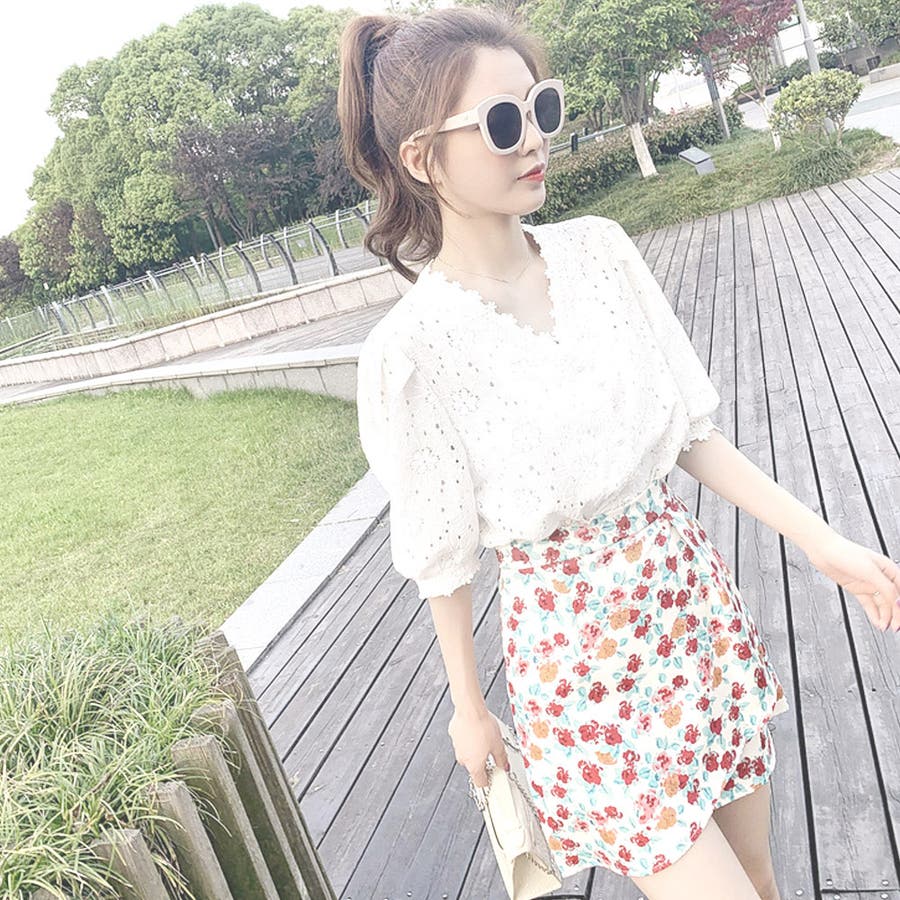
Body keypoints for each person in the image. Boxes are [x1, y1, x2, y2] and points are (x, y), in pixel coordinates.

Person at [336, 7, 900, 899]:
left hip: (690, 609)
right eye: (502, 122)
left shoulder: (599, 251)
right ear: (421, 159)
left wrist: (824, 544)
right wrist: (469, 711)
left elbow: (689, 435)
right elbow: (442, 554)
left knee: (760, 873)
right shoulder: (411, 352)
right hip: (581, 667)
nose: (535, 139)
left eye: (542, 107)